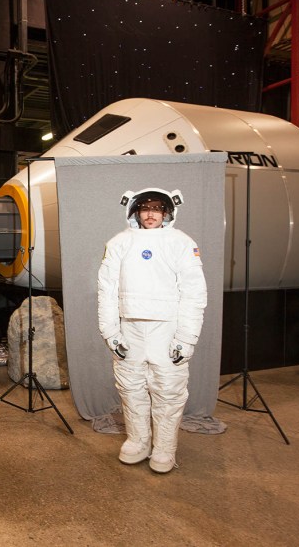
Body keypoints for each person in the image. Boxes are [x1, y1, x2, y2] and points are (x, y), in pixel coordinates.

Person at [97, 188, 207, 473]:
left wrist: (186, 338)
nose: (150, 214)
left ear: (167, 212)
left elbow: (194, 293)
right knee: (130, 388)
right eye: (145, 208)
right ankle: (138, 441)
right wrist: (111, 333)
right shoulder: (119, 242)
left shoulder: (181, 243)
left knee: (168, 391)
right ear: (135, 211)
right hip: (129, 328)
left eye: (157, 208)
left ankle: (164, 449)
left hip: (166, 329)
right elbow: (106, 291)